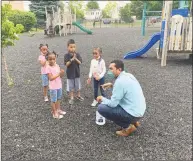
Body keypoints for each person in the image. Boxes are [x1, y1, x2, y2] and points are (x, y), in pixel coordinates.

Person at [96, 60, 146, 136]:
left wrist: (102, 98)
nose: (109, 71)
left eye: (111, 69)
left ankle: (127, 127)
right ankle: (134, 122)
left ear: (119, 69)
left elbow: (113, 104)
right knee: (119, 102)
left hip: (132, 114)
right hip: (140, 112)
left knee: (101, 108)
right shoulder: (129, 75)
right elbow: (125, 90)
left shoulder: (119, 82)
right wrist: (112, 85)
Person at [46, 51, 66, 119]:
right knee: (53, 100)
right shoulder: (48, 68)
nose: (52, 60)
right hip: (53, 87)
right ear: (47, 59)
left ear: (55, 59)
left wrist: (62, 73)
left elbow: (61, 76)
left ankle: (58, 109)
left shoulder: (57, 66)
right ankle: (54, 113)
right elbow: (51, 78)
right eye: (50, 59)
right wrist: (59, 74)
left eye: (53, 59)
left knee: (58, 99)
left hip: (59, 85)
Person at [64, 39, 84, 105]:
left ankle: (78, 95)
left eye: (74, 47)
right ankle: (71, 97)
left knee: (78, 86)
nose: (73, 48)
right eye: (71, 47)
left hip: (77, 73)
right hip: (70, 74)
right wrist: (72, 59)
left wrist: (75, 58)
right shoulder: (66, 55)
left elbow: (80, 62)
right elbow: (66, 64)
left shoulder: (77, 54)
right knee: (71, 87)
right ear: (68, 47)